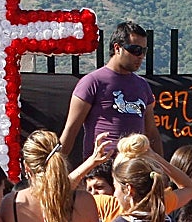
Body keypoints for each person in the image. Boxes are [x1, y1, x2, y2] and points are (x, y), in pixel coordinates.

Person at [59, 21, 163, 160]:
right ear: (117, 48)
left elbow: (151, 132)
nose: (141, 56)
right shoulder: (92, 82)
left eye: (144, 51)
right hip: (101, 169)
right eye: (135, 50)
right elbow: (71, 130)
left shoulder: (142, 85)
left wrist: (162, 170)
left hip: (134, 170)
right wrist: (55, 172)